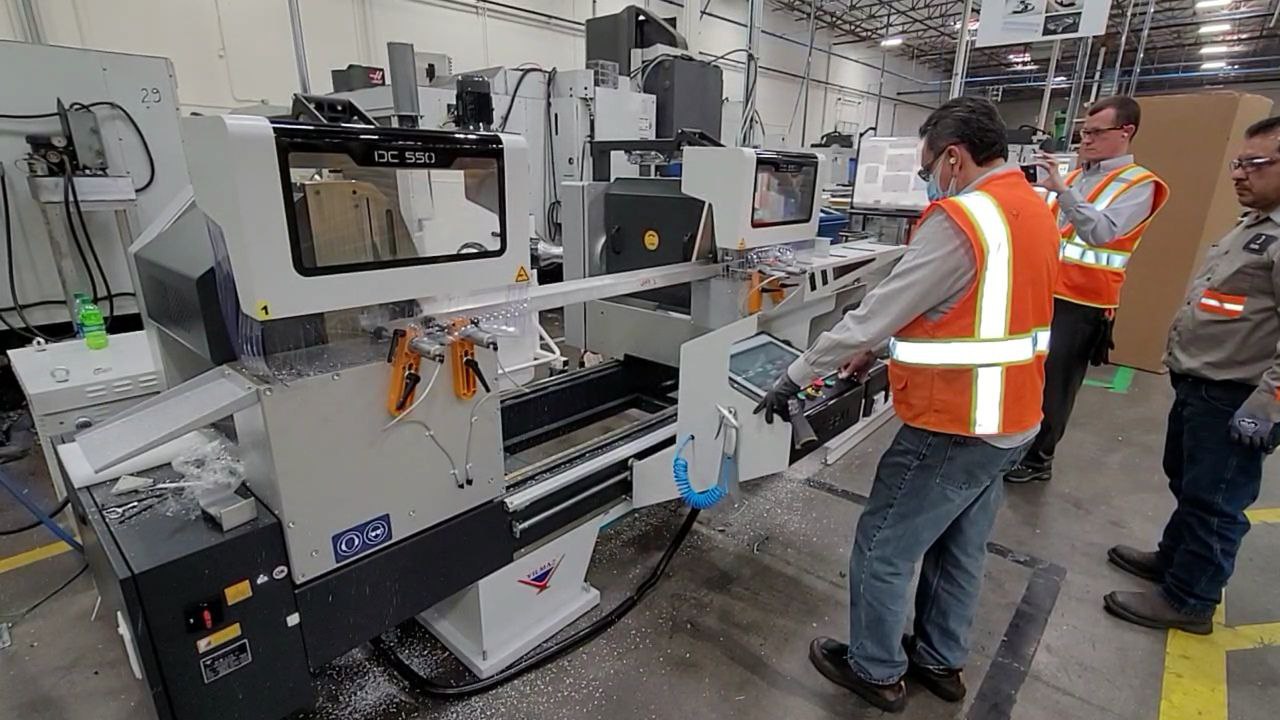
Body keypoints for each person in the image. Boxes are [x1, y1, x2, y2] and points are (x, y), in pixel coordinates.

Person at [753, 98, 1059, 713]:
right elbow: (972, 309)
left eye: (927, 167)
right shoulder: (1034, 206)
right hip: (1015, 417)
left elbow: (879, 309)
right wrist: (882, 350)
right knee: (958, 544)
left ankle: (876, 669)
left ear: (954, 158)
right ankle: (940, 661)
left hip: (955, 422)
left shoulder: (963, 218)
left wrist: (796, 373)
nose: (928, 180)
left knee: (884, 544)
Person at [1103, 116, 1280, 633]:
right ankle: (1176, 559)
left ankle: (1190, 599)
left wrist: (1268, 404)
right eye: (1238, 162)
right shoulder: (1254, 224)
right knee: (1190, 482)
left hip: (1237, 394)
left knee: (1216, 499)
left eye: (1254, 163)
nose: (1238, 173)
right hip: (1203, 384)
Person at [1005, 96, 1169, 484]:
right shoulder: (1077, 177)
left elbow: (1101, 232)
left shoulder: (1140, 185)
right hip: (1043, 290)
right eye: (1084, 132)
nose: (1086, 140)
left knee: (1057, 383)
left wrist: (1063, 191)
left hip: (1083, 301)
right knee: (1028, 374)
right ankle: (1016, 446)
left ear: (1125, 132)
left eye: (1096, 132)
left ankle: (1038, 460)